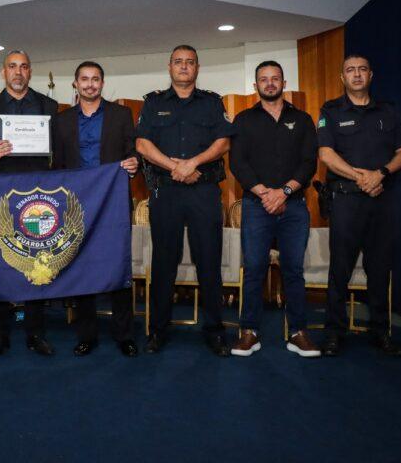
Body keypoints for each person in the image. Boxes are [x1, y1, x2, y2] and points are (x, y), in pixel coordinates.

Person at [135, 45, 236, 356]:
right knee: (164, 263)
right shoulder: (152, 103)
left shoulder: (211, 102)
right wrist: (175, 166)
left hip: (204, 192)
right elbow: (142, 143)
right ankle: (158, 330)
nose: (183, 67)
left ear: (197, 68)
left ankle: (215, 331)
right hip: (165, 192)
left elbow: (223, 142)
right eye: (178, 62)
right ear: (169, 67)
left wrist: (193, 163)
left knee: (209, 262)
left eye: (189, 62)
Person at [318, 54, 401, 357]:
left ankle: (380, 332)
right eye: (350, 70)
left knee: (380, 269)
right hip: (346, 199)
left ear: (371, 75)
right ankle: (334, 333)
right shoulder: (331, 111)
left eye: (362, 70)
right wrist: (362, 177)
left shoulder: (389, 110)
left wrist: (380, 174)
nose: (356, 75)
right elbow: (326, 155)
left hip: (382, 199)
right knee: (339, 270)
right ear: (341, 77)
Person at [229, 60, 320, 357]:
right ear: (256, 86)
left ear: (283, 82)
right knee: (254, 269)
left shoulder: (303, 119)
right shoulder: (243, 120)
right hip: (256, 206)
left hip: (293, 207)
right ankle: (249, 332)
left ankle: (298, 333)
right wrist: (264, 193)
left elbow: (309, 162)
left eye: (275, 78)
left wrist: (284, 192)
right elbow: (238, 163)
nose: (270, 83)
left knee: (293, 270)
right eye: (264, 79)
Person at [52, 61, 139, 357]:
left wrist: (133, 164)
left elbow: (133, 154)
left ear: (103, 83)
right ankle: (86, 334)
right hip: (76, 208)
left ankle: (124, 334)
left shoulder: (122, 115)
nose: (90, 84)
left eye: (96, 79)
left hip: (113, 204)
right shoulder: (61, 121)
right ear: (75, 83)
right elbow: (58, 168)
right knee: (82, 270)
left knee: (119, 267)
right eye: (84, 79)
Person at [0, 50, 58, 357]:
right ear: (3, 72)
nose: (18, 72)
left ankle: (36, 332)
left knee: (38, 264)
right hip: (1, 198)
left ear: (30, 71)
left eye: (24, 66)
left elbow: (58, 152)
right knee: (1, 264)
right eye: (12, 67)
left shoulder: (48, 106)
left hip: (40, 199)